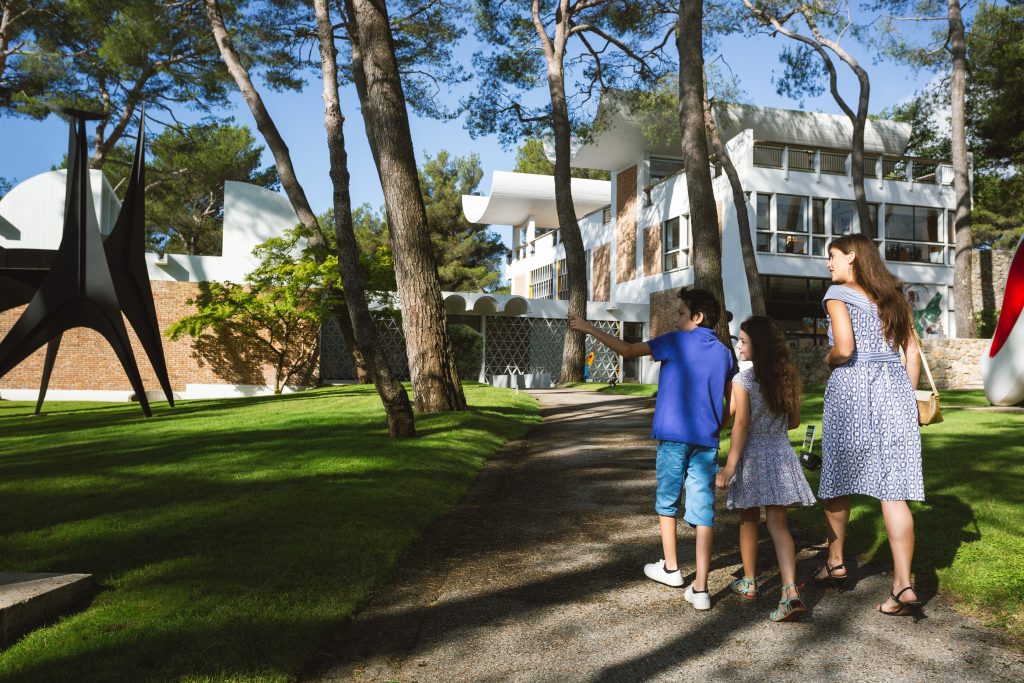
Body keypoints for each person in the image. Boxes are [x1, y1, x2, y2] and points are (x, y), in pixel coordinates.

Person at [569, 288, 736, 611]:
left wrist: (588, 328)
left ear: (697, 317)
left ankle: (671, 568)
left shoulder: (675, 341)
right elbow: (732, 400)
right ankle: (701, 589)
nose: (676, 318)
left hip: (674, 438)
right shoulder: (724, 353)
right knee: (703, 511)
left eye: (681, 313)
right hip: (706, 441)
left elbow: (629, 351)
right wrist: (719, 424)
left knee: (668, 501)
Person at [816, 232, 924, 616]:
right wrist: (904, 398)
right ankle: (903, 584)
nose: (828, 263)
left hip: (853, 391)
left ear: (852, 257)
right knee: (893, 491)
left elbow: (844, 349)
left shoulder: (836, 295)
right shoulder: (894, 296)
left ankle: (837, 561)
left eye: (832, 255)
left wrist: (828, 359)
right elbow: (911, 352)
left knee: (838, 477)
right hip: (895, 391)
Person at [715, 316, 816, 622]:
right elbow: (795, 422)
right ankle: (789, 590)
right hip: (780, 454)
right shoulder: (786, 377)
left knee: (748, 520)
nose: (739, 345)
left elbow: (741, 424)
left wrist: (730, 467)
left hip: (752, 456)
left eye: (743, 341)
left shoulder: (742, 381)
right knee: (778, 524)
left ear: (758, 345)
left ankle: (749, 582)